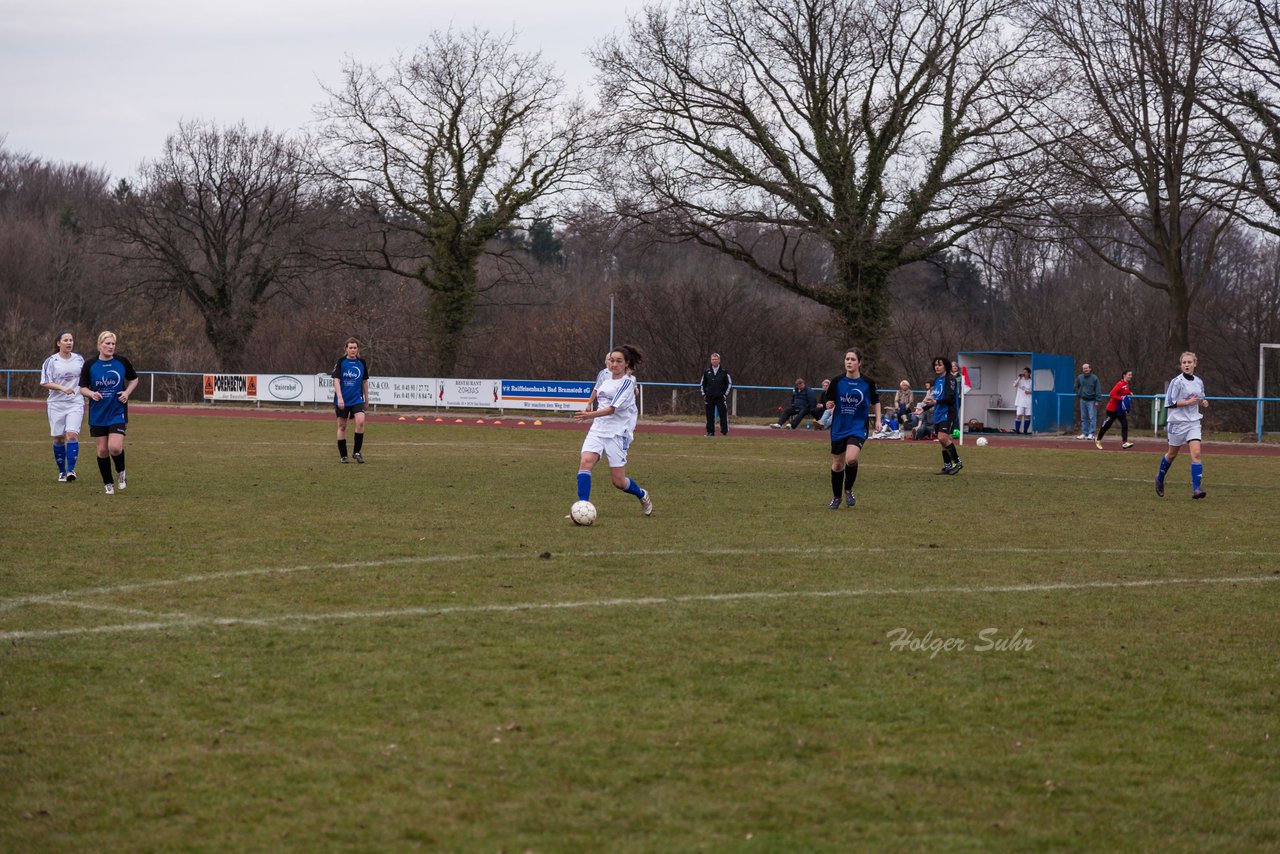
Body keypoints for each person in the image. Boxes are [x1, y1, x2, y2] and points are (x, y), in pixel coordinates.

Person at [573, 345, 652, 516]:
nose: (614, 364)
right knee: (585, 462)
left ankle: (641, 494)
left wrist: (589, 414)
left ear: (626, 364)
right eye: (612, 360)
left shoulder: (627, 383)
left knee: (618, 481)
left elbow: (612, 409)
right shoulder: (604, 377)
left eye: (618, 361)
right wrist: (590, 407)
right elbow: (598, 393)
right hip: (598, 430)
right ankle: (582, 507)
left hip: (617, 433)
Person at [78, 331, 139, 495]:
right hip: (98, 413)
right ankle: (108, 483)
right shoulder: (90, 364)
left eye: (113, 344)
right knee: (103, 450)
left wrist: (127, 393)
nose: (111, 346)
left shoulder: (121, 362)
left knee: (115, 447)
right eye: (107, 343)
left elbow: (134, 379)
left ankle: (121, 473)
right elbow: (82, 387)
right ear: (99, 345)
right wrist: (91, 394)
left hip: (117, 410)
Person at [820, 348, 880, 508]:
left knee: (851, 459)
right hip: (839, 427)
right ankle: (836, 497)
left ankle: (848, 490)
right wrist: (829, 404)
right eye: (847, 359)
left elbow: (876, 401)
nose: (849, 362)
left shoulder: (868, 383)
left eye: (853, 359)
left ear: (859, 363)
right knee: (838, 464)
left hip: (858, 427)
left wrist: (879, 421)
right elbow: (829, 401)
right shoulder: (837, 381)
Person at [1156, 352, 1209, 499]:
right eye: (1184, 362)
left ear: (1195, 364)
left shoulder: (1198, 381)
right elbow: (1169, 403)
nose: (1186, 365)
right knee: (1172, 454)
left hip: (1193, 422)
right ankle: (1160, 478)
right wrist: (1187, 403)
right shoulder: (1176, 382)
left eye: (1189, 362)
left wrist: (1203, 402)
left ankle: (1197, 489)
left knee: (1196, 454)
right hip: (1177, 423)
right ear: (1181, 365)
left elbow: (1201, 398)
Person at [40, 330, 85, 482]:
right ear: (58, 343)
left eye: (71, 340)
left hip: (75, 402)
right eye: (65, 340)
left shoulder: (79, 359)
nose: (69, 343)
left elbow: (85, 379)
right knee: (59, 439)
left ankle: (71, 470)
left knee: (71, 434)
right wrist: (62, 388)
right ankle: (61, 472)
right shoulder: (51, 361)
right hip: (56, 404)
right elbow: (45, 382)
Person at [922, 356, 962, 473]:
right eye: (935, 365)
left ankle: (958, 462)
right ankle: (948, 466)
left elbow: (949, 398)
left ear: (945, 366)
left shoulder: (950, 379)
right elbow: (935, 399)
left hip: (948, 412)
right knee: (941, 441)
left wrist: (936, 402)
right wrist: (923, 409)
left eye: (940, 365)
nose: (937, 367)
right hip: (938, 412)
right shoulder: (937, 380)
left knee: (942, 437)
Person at [331, 337, 369, 463]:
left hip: (357, 399)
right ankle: (343, 456)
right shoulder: (341, 361)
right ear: (346, 349)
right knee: (342, 426)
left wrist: (367, 398)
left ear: (357, 349)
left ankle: (357, 452)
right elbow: (336, 380)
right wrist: (340, 398)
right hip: (343, 399)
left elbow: (364, 381)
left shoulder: (361, 363)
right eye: (350, 347)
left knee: (361, 422)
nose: (353, 350)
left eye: (355, 348)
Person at [1094, 370, 1135, 449]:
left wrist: (1129, 393)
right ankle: (1098, 439)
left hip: (1120, 409)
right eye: (1129, 375)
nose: (1130, 376)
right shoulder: (1120, 384)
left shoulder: (1126, 384)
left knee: (1125, 424)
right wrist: (1121, 398)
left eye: (1131, 375)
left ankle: (1125, 442)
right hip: (1112, 409)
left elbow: (1124, 392)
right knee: (1107, 425)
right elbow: (1112, 394)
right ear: (1124, 375)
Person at [700, 352, 732, 436]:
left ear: (719, 360)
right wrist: (704, 395)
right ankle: (710, 432)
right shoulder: (707, 372)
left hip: (720, 397)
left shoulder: (724, 372)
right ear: (710, 361)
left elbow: (729, 383)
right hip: (709, 397)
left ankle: (724, 432)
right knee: (709, 416)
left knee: (723, 415)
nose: (714, 361)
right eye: (713, 359)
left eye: (716, 359)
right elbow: (702, 384)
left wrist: (725, 394)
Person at [1075, 363, 1101, 440]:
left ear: (1090, 369)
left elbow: (1098, 389)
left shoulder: (1094, 378)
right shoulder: (1080, 377)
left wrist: (1097, 400)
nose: (1085, 370)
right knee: (1083, 418)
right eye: (1084, 368)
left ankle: (1091, 433)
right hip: (1082, 400)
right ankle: (1084, 433)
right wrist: (1079, 394)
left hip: (1092, 401)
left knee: (1092, 417)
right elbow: (1077, 387)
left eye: (1086, 368)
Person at [1012, 366, 1032, 434]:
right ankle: (1017, 431)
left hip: (1028, 401)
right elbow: (1014, 385)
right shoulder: (1020, 380)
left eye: (1025, 372)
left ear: (1029, 373)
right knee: (1018, 415)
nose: (1024, 373)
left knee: (1027, 416)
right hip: (1020, 401)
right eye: (1023, 372)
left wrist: (1029, 392)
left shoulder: (1031, 381)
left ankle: (1025, 431)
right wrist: (1019, 378)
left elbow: (1035, 391)